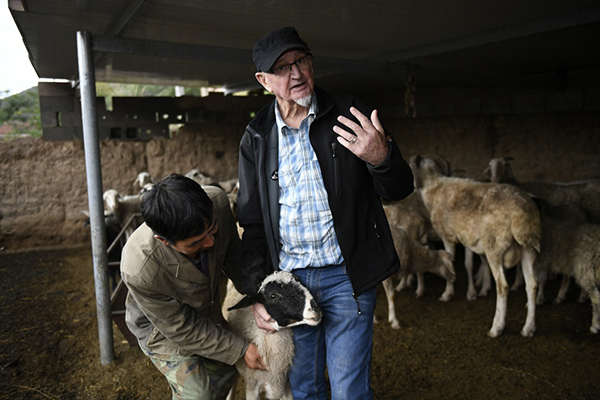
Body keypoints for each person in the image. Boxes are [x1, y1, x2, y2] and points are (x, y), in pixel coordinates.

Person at [236, 27, 415, 400]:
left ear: (311, 61)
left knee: (349, 389)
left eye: (300, 60)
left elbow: (399, 189)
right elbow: (252, 222)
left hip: (348, 276)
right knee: (304, 388)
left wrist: (381, 159)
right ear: (263, 80)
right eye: (282, 68)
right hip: (290, 283)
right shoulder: (256, 137)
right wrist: (257, 292)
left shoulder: (351, 115)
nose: (296, 73)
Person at [120, 174, 264, 400]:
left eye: (212, 229)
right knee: (199, 394)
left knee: (227, 369)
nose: (210, 243)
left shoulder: (218, 202)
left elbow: (235, 259)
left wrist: (257, 296)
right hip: (163, 328)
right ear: (165, 241)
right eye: (196, 243)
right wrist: (241, 348)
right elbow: (181, 327)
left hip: (206, 308)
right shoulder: (139, 268)